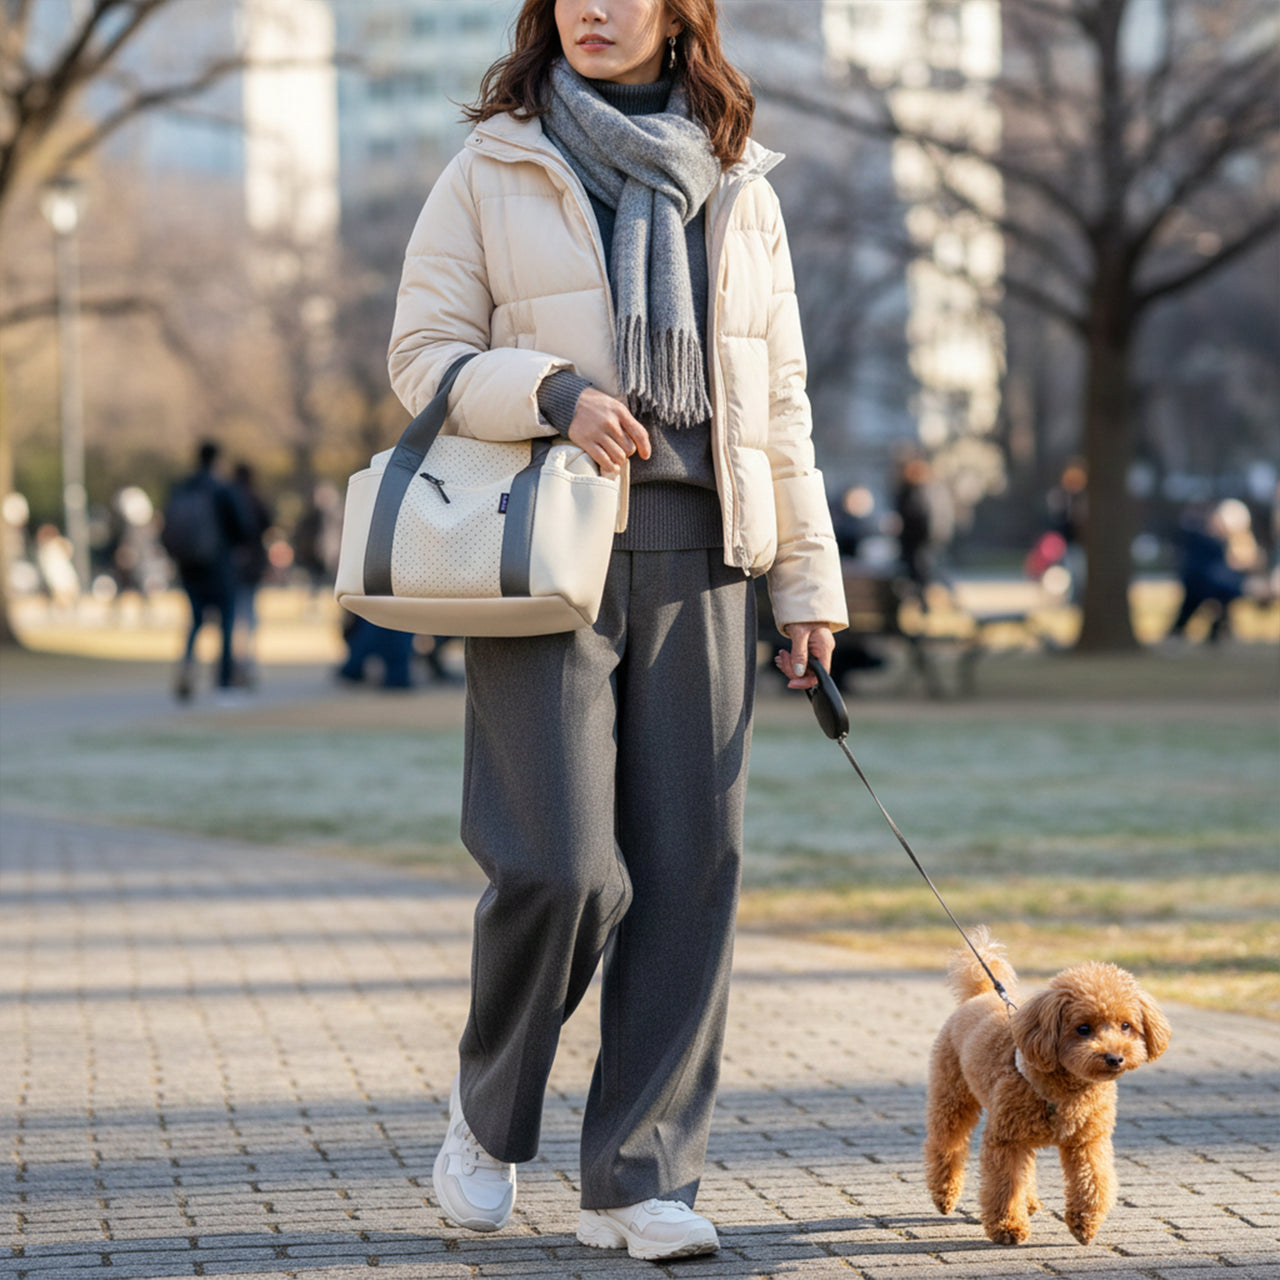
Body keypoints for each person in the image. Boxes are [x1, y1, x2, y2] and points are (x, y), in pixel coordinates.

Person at [388, 0, 847, 1261]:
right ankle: (487, 1120)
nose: (595, 9)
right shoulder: (493, 161)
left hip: (707, 554)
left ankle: (638, 1177)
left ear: (676, 14)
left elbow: (779, 397)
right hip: (546, 550)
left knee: (689, 871)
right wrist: (551, 391)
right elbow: (422, 356)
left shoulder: (737, 176)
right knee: (560, 865)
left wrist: (805, 586)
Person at [161, 440, 248, 700]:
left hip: (189, 565)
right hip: (219, 563)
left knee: (196, 620)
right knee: (226, 621)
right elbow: (242, 527)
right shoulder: (221, 489)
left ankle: (188, 664)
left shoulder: (182, 488)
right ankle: (223, 678)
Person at [230, 462, 273, 687]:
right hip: (251, 568)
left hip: (232, 567)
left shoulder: (228, 498)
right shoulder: (255, 500)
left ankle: (236, 662)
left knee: (235, 615)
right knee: (248, 615)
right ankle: (246, 662)